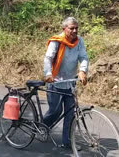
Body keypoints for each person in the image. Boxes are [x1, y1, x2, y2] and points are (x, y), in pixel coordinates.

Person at [43, 17, 88, 149]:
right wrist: (48, 74)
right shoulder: (57, 41)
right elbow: (48, 58)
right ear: (64, 29)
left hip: (70, 83)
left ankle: (67, 141)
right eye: (71, 28)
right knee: (55, 111)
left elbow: (83, 57)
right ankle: (42, 126)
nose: (74, 31)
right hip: (55, 82)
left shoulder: (79, 41)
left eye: (76, 28)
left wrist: (82, 71)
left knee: (70, 113)